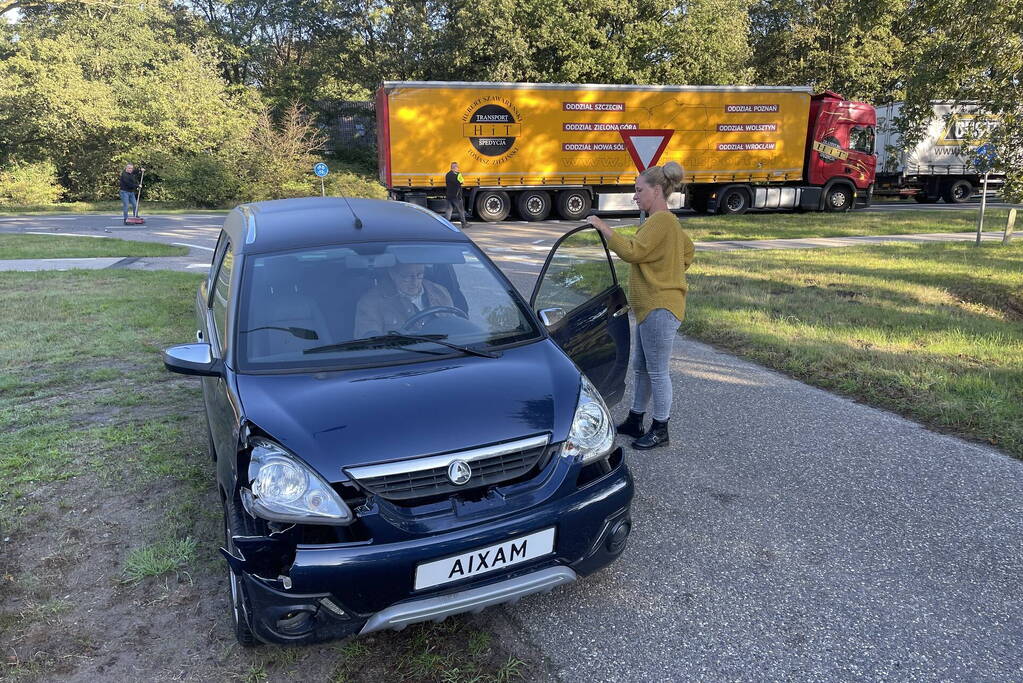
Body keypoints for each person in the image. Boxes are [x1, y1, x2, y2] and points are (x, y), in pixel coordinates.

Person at [585, 161, 694, 450]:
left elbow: (633, 251)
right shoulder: (667, 221)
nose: (635, 196)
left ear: (657, 190)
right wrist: (669, 268)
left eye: (638, 190)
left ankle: (661, 428)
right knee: (642, 366)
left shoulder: (661, 220)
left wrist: (603, 227)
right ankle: (635, 419)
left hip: (661, 305)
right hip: (654, 305)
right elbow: (688, 252)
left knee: (657, 370)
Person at [354, 262, 454, 338]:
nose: (414, 282)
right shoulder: (371, 302)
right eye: (407, 276)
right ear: (392, 274)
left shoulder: (440, 292)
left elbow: (455, 326)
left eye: (419, 274)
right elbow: (369, 345)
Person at [444, 162, 468, 229]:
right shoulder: (456, 175)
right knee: (461, 210)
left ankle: (446, 224)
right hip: (456, 196)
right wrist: (460, 177)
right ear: (454, 168)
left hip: (449, 195)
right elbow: (461, 182)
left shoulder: (447, 174)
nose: (458, 169)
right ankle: (464, 224)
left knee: (449, 211)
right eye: (457, 167)